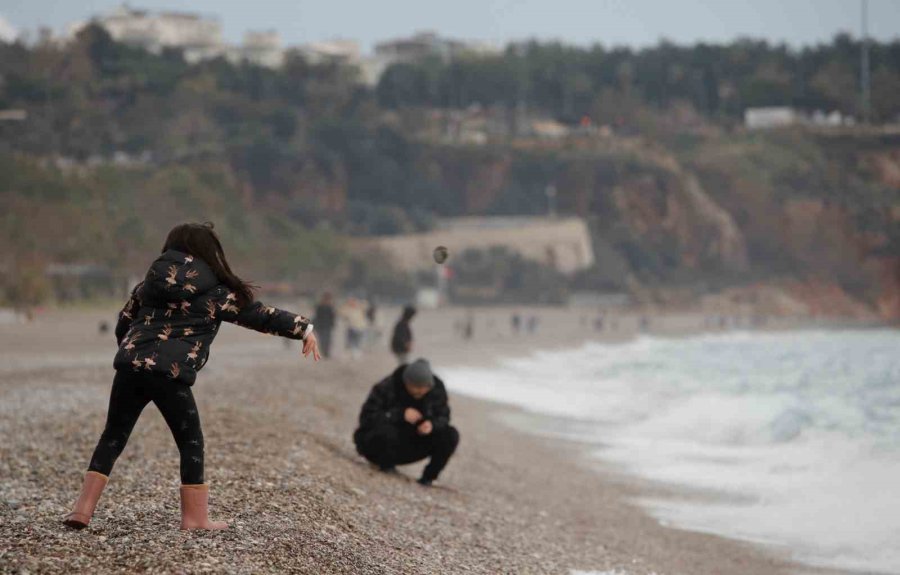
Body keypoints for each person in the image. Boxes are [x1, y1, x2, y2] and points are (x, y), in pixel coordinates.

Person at [63, 222, 320, 532]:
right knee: (190, 442)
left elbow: (123, 324)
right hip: (170, 374)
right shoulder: (215, 292)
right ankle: (195, 519)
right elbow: (259, 316)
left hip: (130, 367)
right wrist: (303, 328)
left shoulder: (147, 285)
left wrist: (134, 353)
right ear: (208, 252)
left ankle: (82, 510)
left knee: (113, 436)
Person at [353, 359, 459, 486]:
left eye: (424, 388)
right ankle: (385, 465)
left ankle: (428, 478)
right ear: (406, 382)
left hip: (412, 443)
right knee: (386, 431)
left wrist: (431, 425)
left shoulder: (437, 390)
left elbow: (443, 417)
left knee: (450, 434)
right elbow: (367, 418)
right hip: (377, 445)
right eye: (416, 387)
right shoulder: (387, 386)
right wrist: (400, 414)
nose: (420, 391)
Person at [313, 292, 336, 359]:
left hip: (327, 325)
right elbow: (317, 316)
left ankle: (326, 352)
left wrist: (332, 323)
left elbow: (332, 317)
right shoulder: (320, 306)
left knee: (327, 339)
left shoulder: (330, 307)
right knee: (323, 339)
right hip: (321, 325)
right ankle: (324, 352)